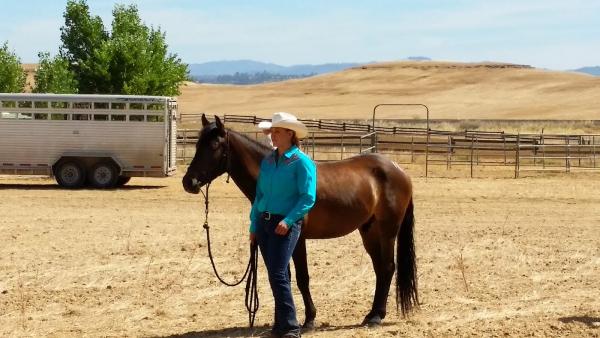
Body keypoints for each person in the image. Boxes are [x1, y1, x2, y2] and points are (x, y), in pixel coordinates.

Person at [249, 112, 317, 338]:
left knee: (278, 273)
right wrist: (253, 225)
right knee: (276, 274)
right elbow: (259, 195)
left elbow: (307, 198)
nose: (272, 136)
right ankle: (280, 326)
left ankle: (290, 327)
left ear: (290, 134)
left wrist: (288, 221)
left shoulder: (302, 163)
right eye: (272, 131)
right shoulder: (268, 161)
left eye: (277, 131)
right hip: (264, 223)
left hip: (285, 224)